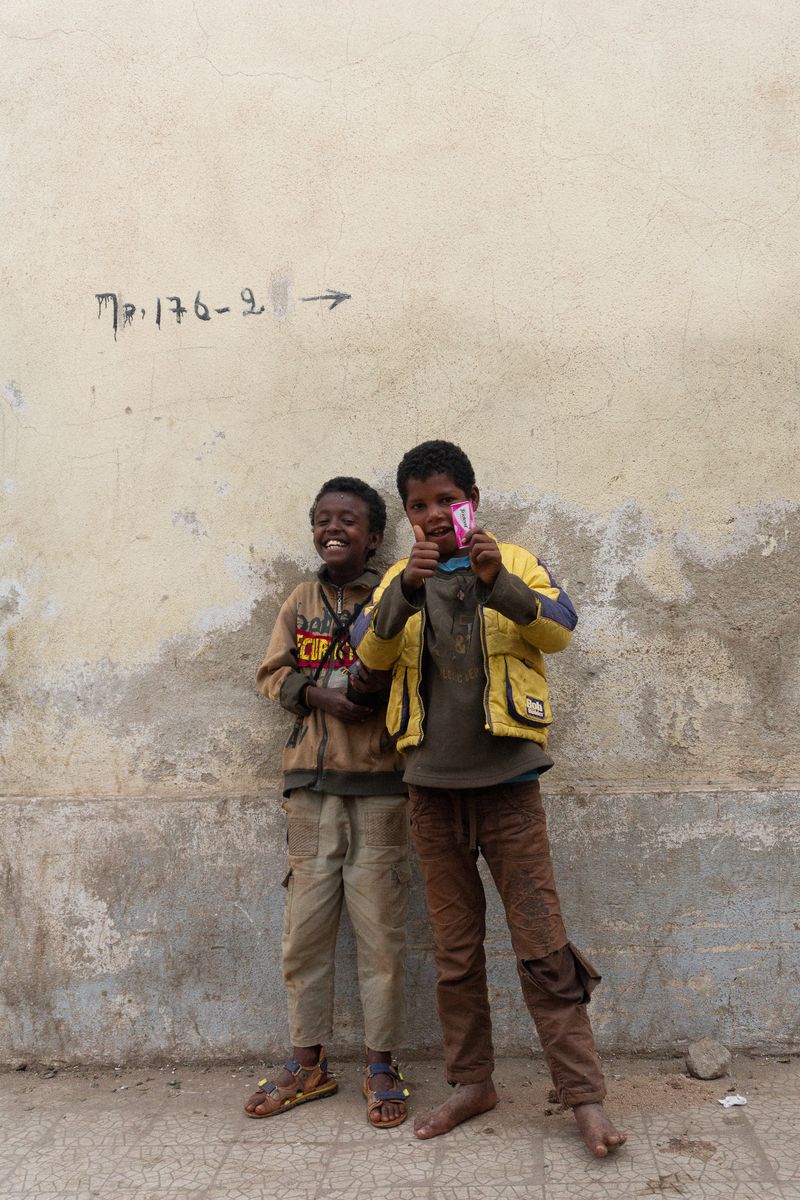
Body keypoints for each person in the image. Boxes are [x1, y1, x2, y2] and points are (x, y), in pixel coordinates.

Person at [351, 441, 625, 1157]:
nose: (435, 515)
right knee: (455, 952)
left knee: (542, 946)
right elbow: (367, 662)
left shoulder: (518, 562)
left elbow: (560, 630)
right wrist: (404, 594)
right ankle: (472, 1084)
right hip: (432, 798)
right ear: (407, 515)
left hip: (508, 793)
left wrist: (499, 580)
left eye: (447, 499)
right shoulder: (396, 583)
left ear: (473, 497)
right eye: (419, 505)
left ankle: (584, 1096)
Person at [244, 477, 411, 1129]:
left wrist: (371, 696)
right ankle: (308, 1063)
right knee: (304, 936)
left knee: (381, 938)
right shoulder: (300, 599)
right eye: (322, 519)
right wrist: (318, 696)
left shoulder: (394, 597)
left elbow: (410, 669)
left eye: (348, 520)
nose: (332, 528)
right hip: (310, 794)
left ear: (373, 536)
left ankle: (380, 1063)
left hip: (379, 790)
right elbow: (272, 674)